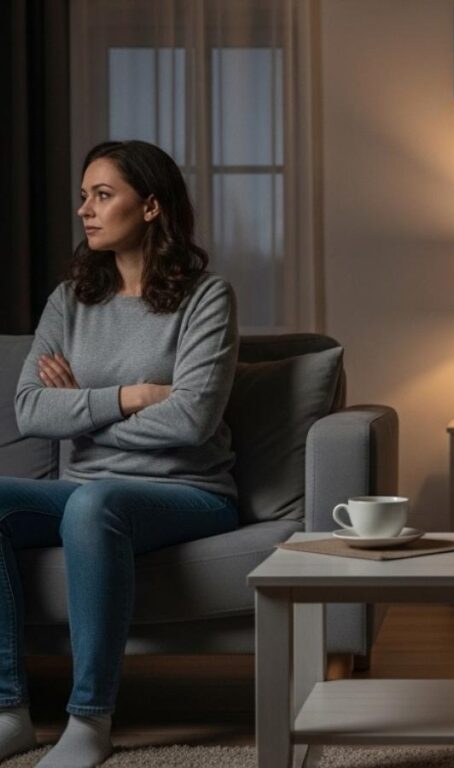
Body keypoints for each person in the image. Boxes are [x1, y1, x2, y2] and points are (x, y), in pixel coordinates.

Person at [0, 140, 239, 767]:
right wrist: (130, 396)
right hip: (89, 492)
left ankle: (89, 719)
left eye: (103, 195)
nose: (85, 209)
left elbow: (192, 420)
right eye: (84, 196)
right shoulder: (69, 300)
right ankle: (10, 712)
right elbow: (30, 411)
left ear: (152, 205)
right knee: (61, 498)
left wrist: (80, 412)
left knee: (93, 502)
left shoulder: (207, 298)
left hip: (190, 494)